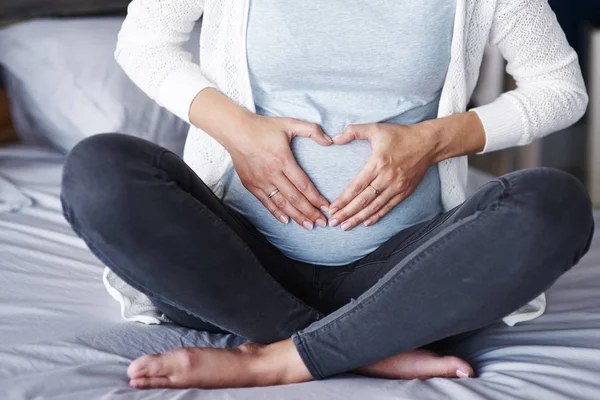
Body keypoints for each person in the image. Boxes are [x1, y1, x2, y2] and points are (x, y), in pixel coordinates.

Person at [60, 0, 594, 390]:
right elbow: (144, 44)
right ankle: (355, 345)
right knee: (98, 171)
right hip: (236, 273)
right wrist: (237, 131)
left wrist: (431, 141)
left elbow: (559, 88)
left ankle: (274, 360)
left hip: (404, 276)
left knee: (552, 204)